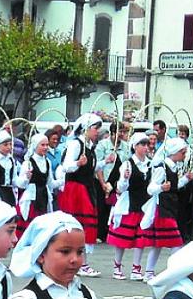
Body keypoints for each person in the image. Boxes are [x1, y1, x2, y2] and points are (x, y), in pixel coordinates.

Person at [58, 114, 106, 276]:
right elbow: (66, 166)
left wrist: (105, 162)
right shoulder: (76, 144)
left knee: (85, 225)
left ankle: (82, 262)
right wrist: (78, 163)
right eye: (95, 128)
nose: (97, 132)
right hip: (76, 189)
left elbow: (91, 168)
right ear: (85, 129)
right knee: (78, 224)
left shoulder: (89, 146)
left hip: (86, 187)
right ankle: (79, 263)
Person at [137, 137, 191, 280]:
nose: (184, 156)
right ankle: (176, 272)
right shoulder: (162, 168)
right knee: (175, 242)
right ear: (175, 152)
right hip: (163, 209)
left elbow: (174, 186)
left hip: (170, 208)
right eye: (182, 152)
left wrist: (185, 179)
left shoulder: (172, 167)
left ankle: (149, 272)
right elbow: (150, 188)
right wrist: (161, 187)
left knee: (158, 244)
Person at [107, 132, 151, 280]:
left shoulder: (149, 164)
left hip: (144, 205)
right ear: (135, 146)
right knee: (123, 238)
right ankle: (117, 265)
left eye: (146, 144)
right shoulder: (127, 165)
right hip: (129, 205)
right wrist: (125, 179)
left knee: (141, 238)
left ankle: (136, 268)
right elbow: (120, 188)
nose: (146, 147)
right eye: (142, 144)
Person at [16, 132, 57, 240]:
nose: (45, 147)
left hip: (43, 196)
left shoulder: (47, 162)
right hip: (32, 198)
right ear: (35, 146)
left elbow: (50, 182)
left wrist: (63, 180)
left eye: (46, 145)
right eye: (42, 145)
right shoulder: (28, 163)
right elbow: (20, 183)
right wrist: (26, 178)